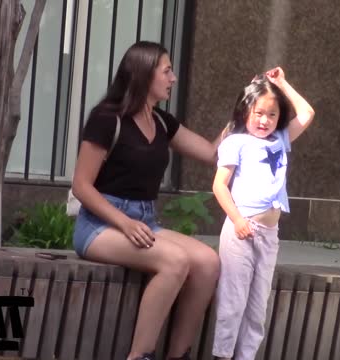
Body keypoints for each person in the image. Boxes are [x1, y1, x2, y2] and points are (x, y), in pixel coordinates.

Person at [71, 41, 221, 360]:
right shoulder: (106, 119)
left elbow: (212, 153)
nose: (173, 78)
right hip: (100, 226)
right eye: (166, 71)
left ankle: (178, 354)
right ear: (143, 74)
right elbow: (82, 186)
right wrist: (124, 223)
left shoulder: (163, 122)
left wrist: (245, 109)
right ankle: (140, 355)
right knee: (174, 261)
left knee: (208, 262)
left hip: (145, 221)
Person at [211, 67, 315, 360]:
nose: (264, 120)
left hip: (269, 235)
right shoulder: (235, 141)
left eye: (272, 114)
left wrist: (280, 83)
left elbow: (306, 113)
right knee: (233, 301)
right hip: (241, 231)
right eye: (258, 113)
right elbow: (219, 186)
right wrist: (237, 220)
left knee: (258, 305)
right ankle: (222, 355)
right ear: (246, 111)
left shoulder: (280, 139)